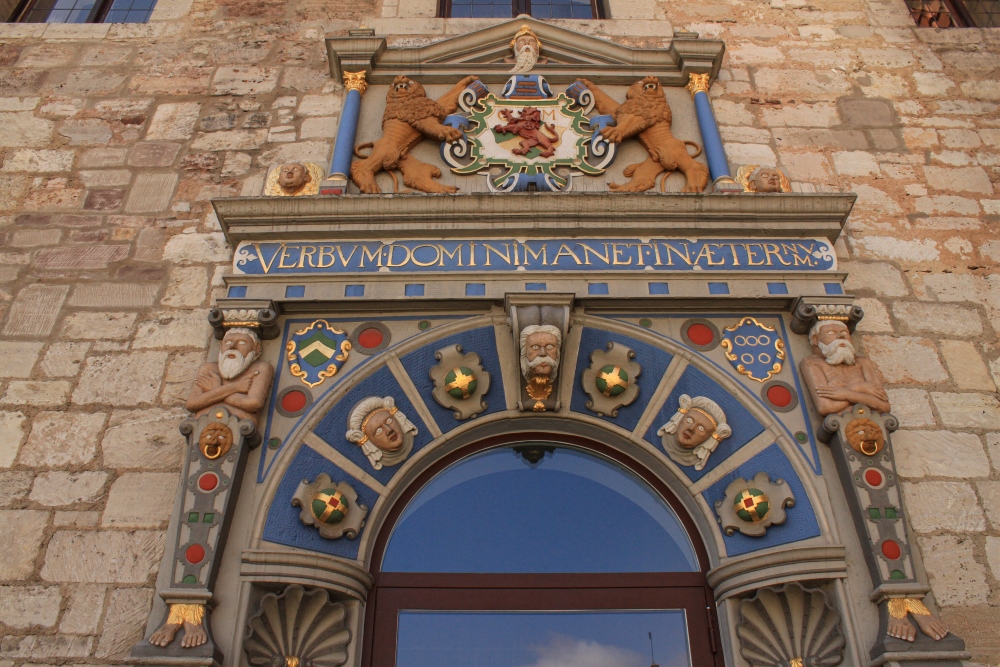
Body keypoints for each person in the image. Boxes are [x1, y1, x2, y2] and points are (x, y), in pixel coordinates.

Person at [185, 327, 274, 426]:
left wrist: (215, 389)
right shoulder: (209, 368)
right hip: (205, 426)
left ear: (256, 348)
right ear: (221, 346)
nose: (232, 346)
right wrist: (236, 387)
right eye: (228, 342)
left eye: (242, 342)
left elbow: (253, 403)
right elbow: (192, 403)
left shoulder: (261, 368)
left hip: (241, 426)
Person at [800, 320, 890, 416]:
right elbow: (826, 407)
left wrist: (846, 393)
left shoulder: (862, 362)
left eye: (844, 333)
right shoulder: (812, 363)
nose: (840, 336)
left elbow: (884, 406)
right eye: (831, 333)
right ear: (816, 339)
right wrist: (862, 389)